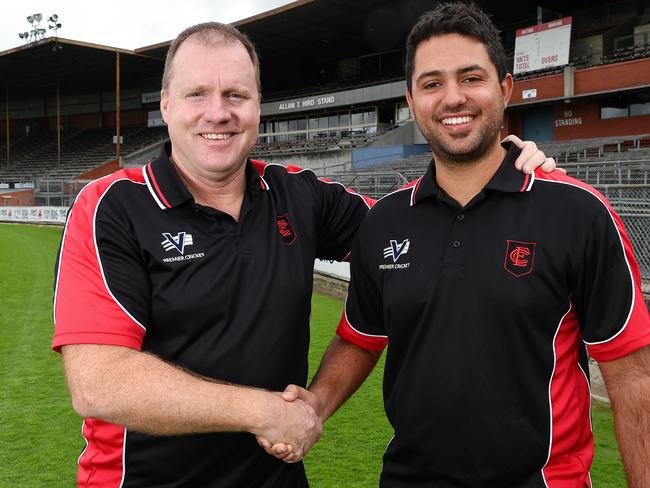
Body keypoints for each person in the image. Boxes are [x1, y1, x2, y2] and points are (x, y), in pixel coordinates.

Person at [52, 20, 556, 488]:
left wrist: (501, 167)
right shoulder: (110, 207)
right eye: (197, 94)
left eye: (236, 94)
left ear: (257, 105)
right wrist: (261, 411)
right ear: (165, 105)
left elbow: (418, 229)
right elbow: (100, 383)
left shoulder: (299, 195)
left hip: (277, 478)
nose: (219, 112)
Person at [263, 3, 650, 487]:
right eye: (432, 83)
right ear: (411, 98)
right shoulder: (384, 222)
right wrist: (316, 403)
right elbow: (360, 337)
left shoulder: (580, 213)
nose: (453, 98)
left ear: (504, 89)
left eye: (471, 78)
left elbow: (635, 379)